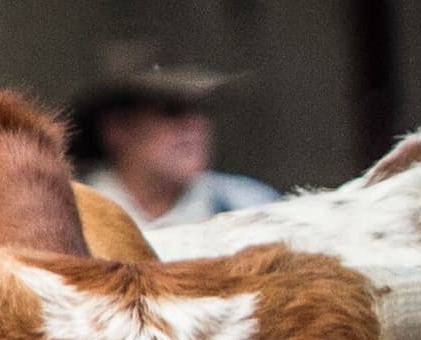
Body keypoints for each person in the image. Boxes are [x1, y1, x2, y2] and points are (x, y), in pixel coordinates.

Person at [67, 61, 276, 229]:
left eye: (201, 109)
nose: (194, 124)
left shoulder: (255, 209)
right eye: (172, 110)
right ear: (117, 128)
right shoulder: (68, 219)